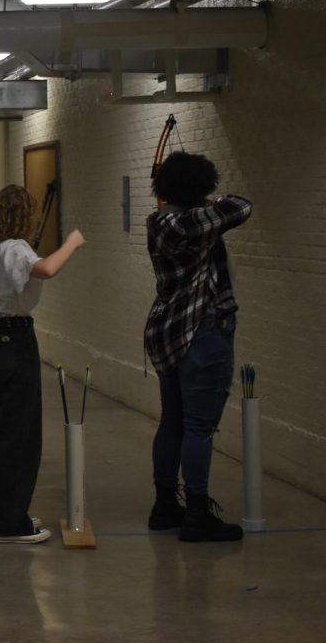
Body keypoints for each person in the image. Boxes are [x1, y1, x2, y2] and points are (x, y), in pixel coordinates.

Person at [0, 184, 84, 544]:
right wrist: (72, 242)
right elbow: (45, 269)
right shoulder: (15, 248)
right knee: (18, 436)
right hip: (12, 341)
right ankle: (9, 523)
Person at [145, 151, 251, 543]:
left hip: (167, 332)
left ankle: (164, 505)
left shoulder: (159, 222)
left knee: (172, 421)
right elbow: (242, 206)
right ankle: (196, 513)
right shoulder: (192, 222)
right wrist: (213, 201)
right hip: (202, 331)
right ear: (198, 190)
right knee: (198, 428)